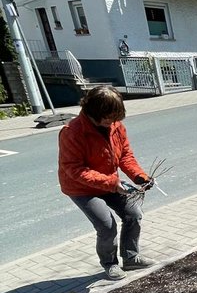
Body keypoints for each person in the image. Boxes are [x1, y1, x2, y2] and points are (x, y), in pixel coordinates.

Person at [58, 86, 155, 279]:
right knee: (106, 225)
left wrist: (139, 176)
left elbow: (125, 156)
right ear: (94, 113)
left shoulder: (116, 126)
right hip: (82, 188)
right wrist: (113, 183)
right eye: (109, 117)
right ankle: (109, 263)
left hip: (110, 182)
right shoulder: (72, 132)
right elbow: (75, 170)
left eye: (116, 117)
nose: (113, 122)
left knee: (133, 214)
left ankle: (130, 257)